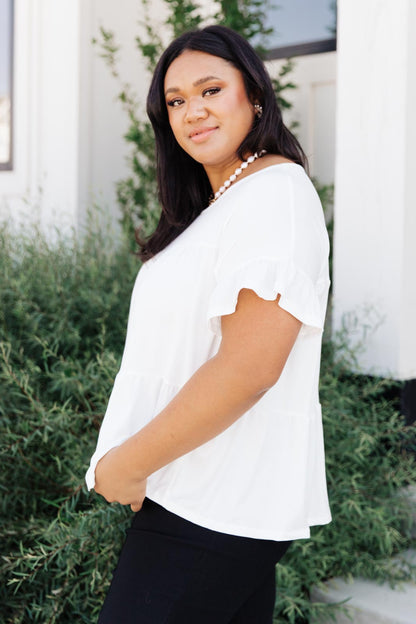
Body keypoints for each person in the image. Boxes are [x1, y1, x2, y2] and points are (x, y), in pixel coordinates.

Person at [86, 24, 331, 624]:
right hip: (199, 494)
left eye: (211, 89)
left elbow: (250, 367)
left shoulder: (274, 192)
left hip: (209, 502)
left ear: (255, 96)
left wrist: (129, 462)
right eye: (175, 100)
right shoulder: (225, 203)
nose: (192, 110)